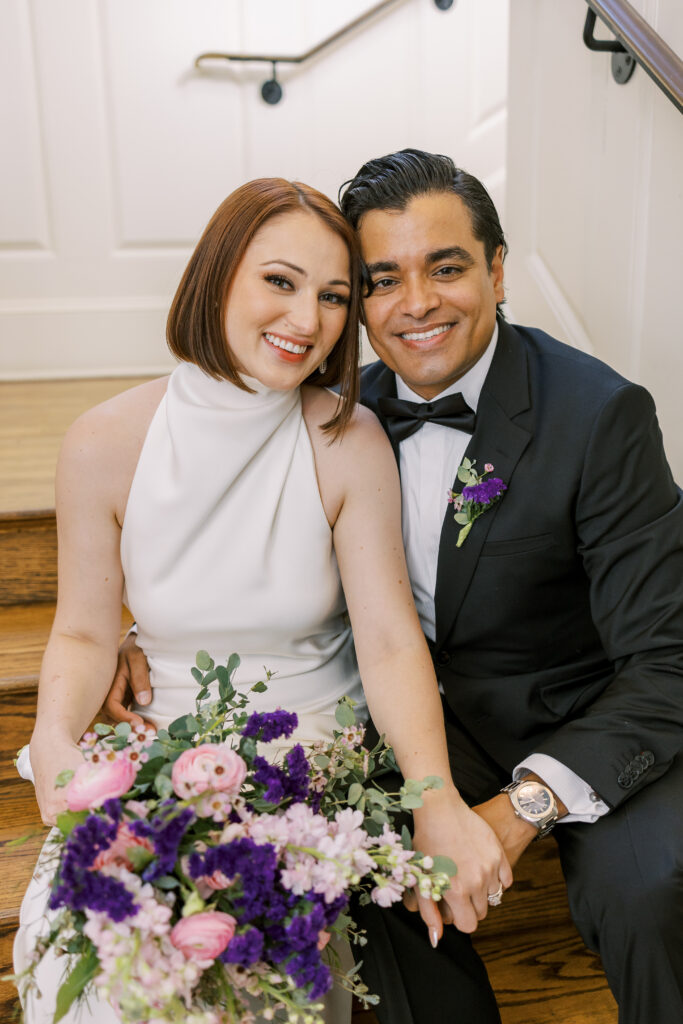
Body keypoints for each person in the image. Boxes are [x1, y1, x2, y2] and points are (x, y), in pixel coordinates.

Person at [112, 150, 683, 1024]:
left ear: (495, 270)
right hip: (400, 731)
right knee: (364, 894)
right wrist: (144, 636)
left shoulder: (599, 414)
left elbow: (669, 660)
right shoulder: (327, 409)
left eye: (446, 267)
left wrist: (515, 809)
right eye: (382, 280)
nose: (416, 304)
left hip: (583, 721)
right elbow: (222, 537)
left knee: (648, 898)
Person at [14, 176, 513, 1024]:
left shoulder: (345, 439)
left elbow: (391, 643)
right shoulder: (102, 440)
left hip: (307, 763)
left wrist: (431, 796)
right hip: (155, 751)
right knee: (103, 975)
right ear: (217, 278)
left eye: (331, 296)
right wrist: (54, 736)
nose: (306, 320)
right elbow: (83, 630)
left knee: (249, 980)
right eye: (278, 282)